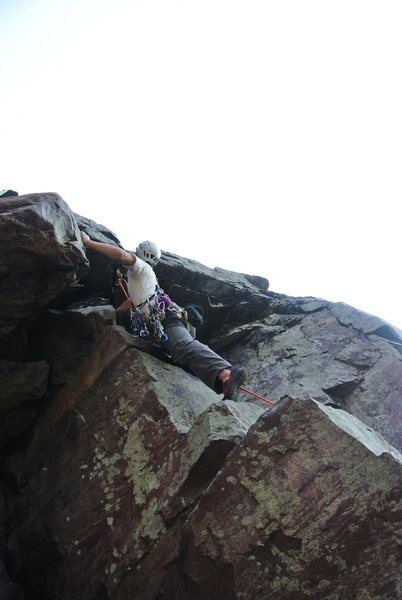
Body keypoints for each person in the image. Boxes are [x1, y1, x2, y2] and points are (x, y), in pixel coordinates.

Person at [80, 232, 246, 400]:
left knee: (183, 347)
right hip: (168, 321)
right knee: (181, 353)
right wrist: (116, 312)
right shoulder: (141, 277)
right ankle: (221, 383)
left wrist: (89, 243)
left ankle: (226, 373)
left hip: (167, 319)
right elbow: (133, 302)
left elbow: (121, 255)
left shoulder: (141, 268)